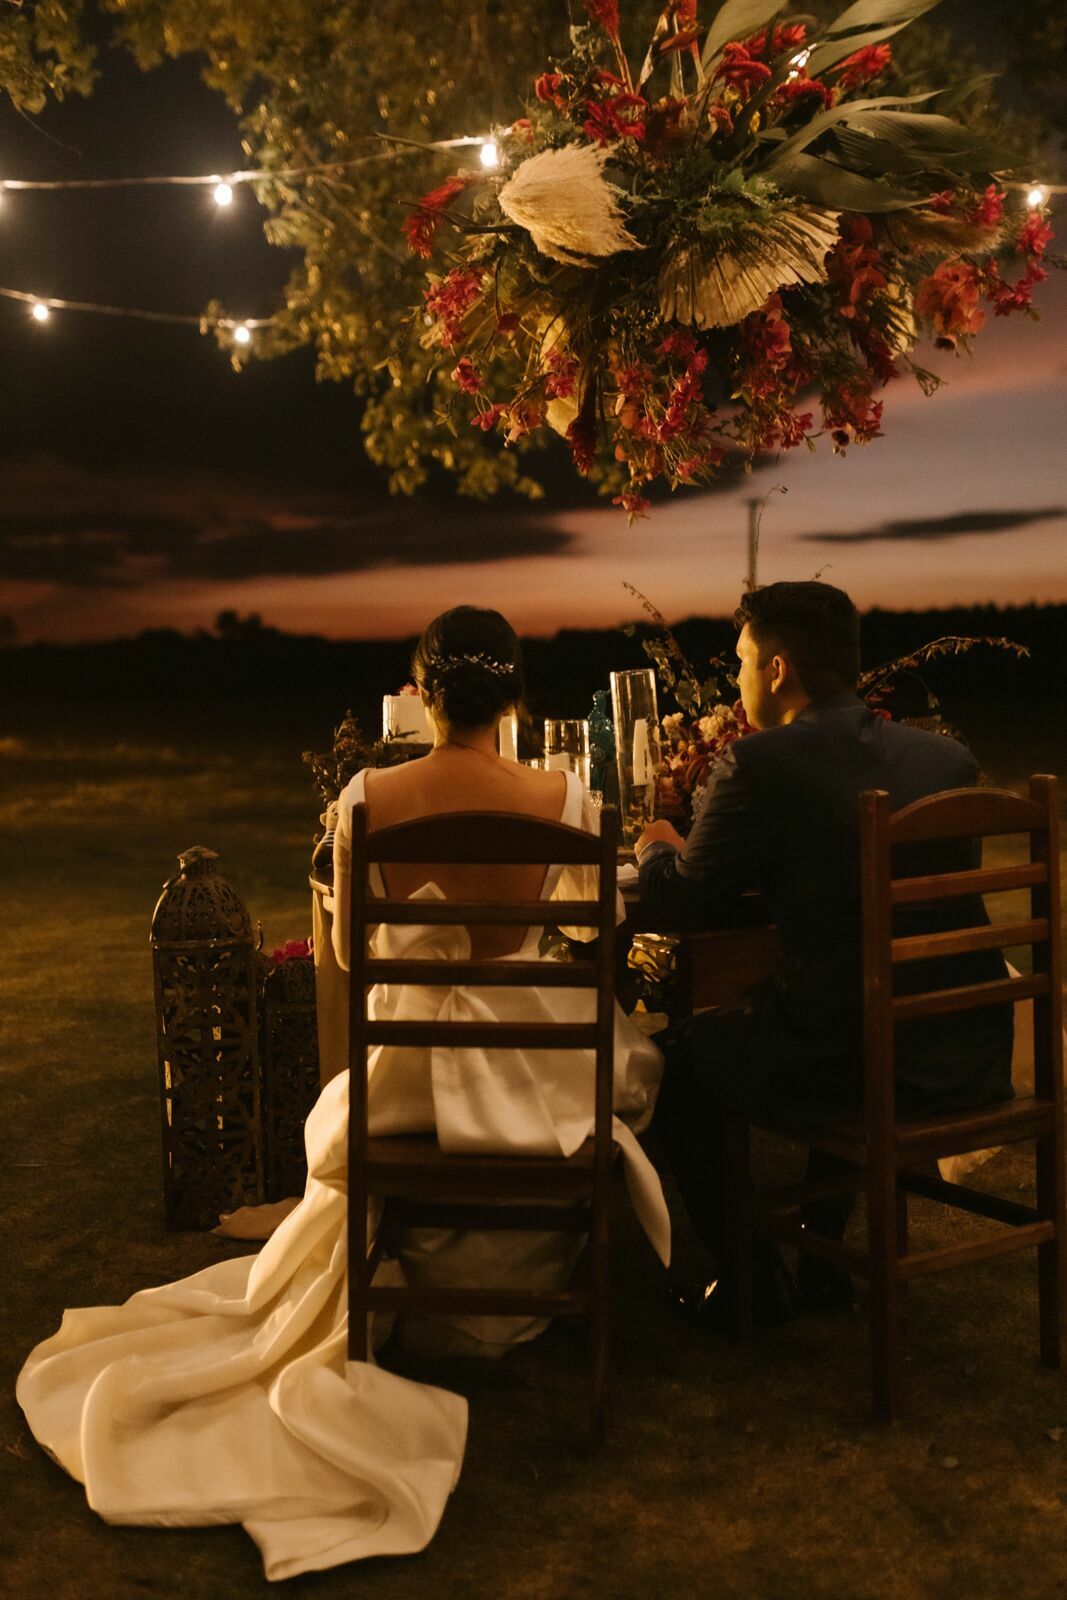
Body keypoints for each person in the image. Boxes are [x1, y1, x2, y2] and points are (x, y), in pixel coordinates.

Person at [17, 605, 668, 1582]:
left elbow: (342, 956)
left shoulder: (369, 796)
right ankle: (526, 1290)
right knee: (630, 1078)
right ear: (513, 694)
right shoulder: (571, 798)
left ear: (422, 690)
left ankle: (434, 1287)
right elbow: (593, 942)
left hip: (402, 1088)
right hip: (526, 1088)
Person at [635, 581, 1014, 1327]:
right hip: (963, 1047)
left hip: (861, 1058)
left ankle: (747, 1287)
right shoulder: (943, 761)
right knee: (838, 1005)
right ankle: (818, 1263)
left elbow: (683, 902)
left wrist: (657, 845)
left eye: (743, 662)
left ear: (776, 670)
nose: (737, 682)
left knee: (679, 1066)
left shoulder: (760, 765)